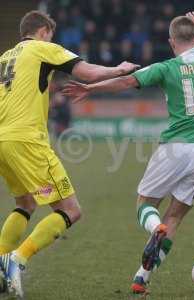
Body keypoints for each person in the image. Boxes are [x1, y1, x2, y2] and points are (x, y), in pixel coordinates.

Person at [62, 12, 194, 296]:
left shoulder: (166, 67)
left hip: (175, 148)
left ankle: (154, 228)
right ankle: (141, 278)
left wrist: (91, 88)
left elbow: (124, 82)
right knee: (176, 217)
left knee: (145, 205)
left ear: (172, 42)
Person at [0, 10, 138, 297]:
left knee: (25, 202)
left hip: (3, 140)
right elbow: (86, 72)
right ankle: (18, 258)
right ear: (42, 31)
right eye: (51, 34)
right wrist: (119, 68)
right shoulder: (43, 48)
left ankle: (2, 261)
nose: (52, 39)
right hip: (28, 141)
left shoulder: (4, 58)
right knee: (70, 211)